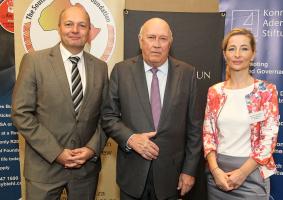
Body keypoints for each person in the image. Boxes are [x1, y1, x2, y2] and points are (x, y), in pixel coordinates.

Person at [11, 4, 108, 200]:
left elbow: (107, 115)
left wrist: (91, 149)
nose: (75, 30)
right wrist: (56, 152)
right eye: (69, 24)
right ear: (59, 28)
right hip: (43, 169)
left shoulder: (100, 67)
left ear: (89, 31)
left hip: (85, 172)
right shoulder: (34, 61)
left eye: (82, 25)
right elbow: (21, 113)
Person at [102, 18, 202, 200]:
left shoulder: (187, 73)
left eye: (163, 39)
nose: (156, 44)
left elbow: (195, 127)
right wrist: (131, 139)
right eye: (151, 37)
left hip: (172, 176)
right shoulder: (121, 71)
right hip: (132, 173)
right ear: (141, 41)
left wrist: (189, 170)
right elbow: (109, 116)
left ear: (170, 43)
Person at [203, 28, 279, 200]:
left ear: (253, 54)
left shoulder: (266, 91)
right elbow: (208, 135)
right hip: (218, 175)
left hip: (252, 173)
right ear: (225, 55)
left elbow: (268, 140)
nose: (237, 54)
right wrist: (215, 171)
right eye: (232, 49)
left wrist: (242, 172)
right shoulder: (214, 91)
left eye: (244, 48)